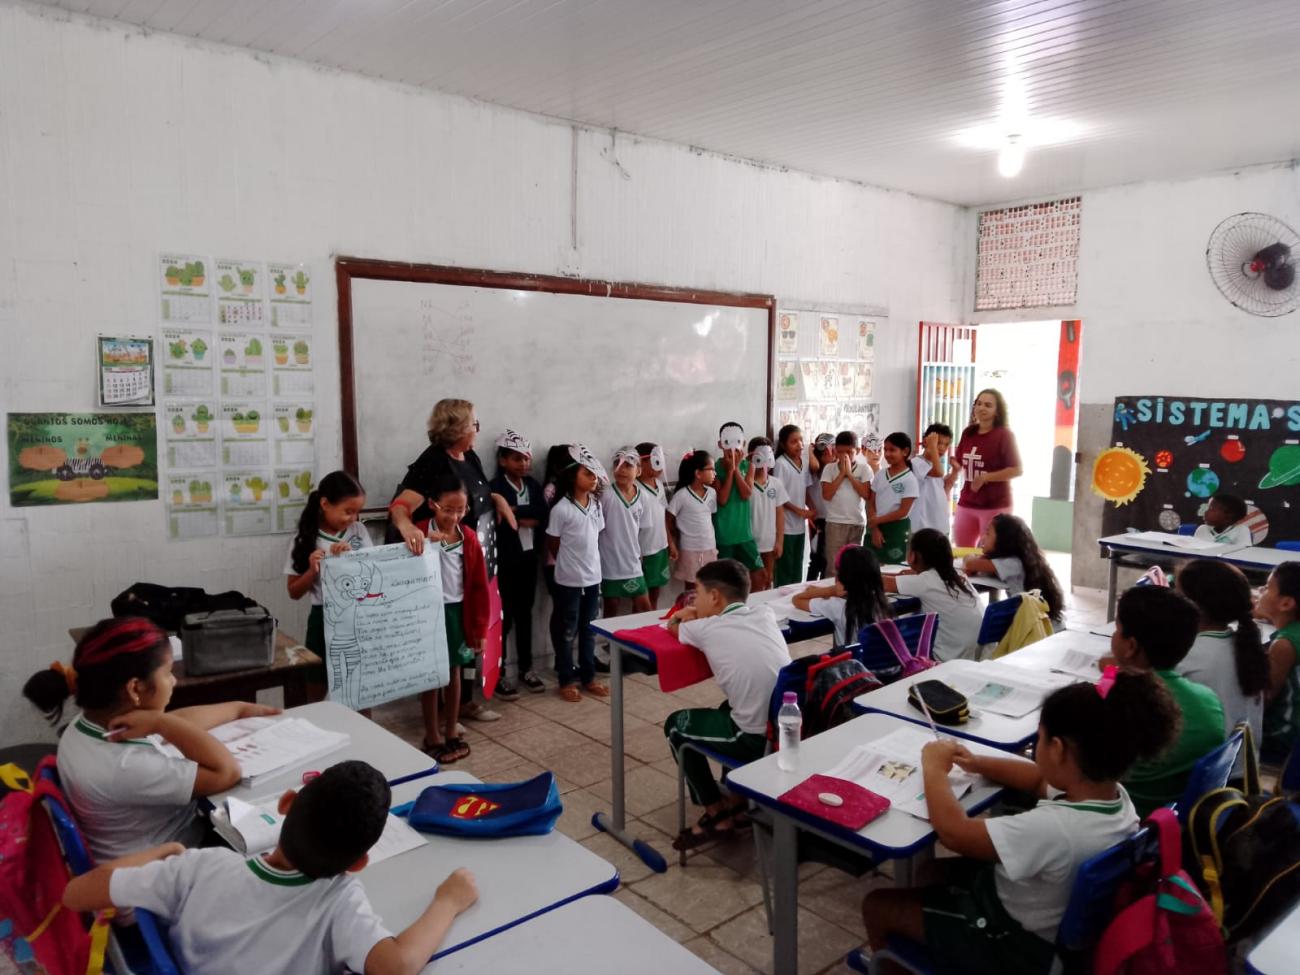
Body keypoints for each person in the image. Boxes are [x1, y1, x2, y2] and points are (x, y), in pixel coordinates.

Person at [862, 672, 1178, 975]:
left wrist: (933, 767)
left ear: (1057, 749)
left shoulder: (1055, 829)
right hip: (1049, 924)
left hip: (1014, 946)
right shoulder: (1112, 797)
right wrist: (977, 763)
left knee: (878, 905)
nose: (1036, 748)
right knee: (929, 872)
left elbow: (954, 833)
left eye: (1040, 739)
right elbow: (1039, 779)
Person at [62, 761, 479, 975]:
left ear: (285, 804)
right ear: (358, 863)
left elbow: (75, 893)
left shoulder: (200, 867)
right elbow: (397, 966)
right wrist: (448, 901)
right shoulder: (339, 901)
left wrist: (165, 853)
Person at [22, 617, 276, 861]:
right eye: (167, 673)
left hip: (130, 853)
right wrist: (159, 723)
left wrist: (237, 709)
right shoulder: (125, 766)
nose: (173, 681)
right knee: (273, 834)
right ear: (135, 688)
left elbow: (177, 724)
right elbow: (227, 772)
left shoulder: (85, 726)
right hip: (163, 868)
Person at [388, 399, 513, 724]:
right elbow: (401, 506)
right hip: (446, 564)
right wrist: (406, 527)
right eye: (474, 424)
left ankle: (466, 702)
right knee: (448, 640)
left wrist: (497, 499)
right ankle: (445, 709)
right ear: (457, 429)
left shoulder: (469, 456)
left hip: (475, 556)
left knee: (471, 633)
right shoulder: (433, 461)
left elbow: (471, 494)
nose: (477, 429)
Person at [663, 559, 789, 850]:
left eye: (697, 594)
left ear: (714, 597)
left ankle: (715, 813)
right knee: (726, 707)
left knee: (675, 726)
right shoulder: (764, 613)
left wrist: (684, 614)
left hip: (755, 738)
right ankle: (738, 802)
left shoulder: (707, 627)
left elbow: (673, 627)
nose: (695, 600)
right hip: (784, 731)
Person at [1110, 585, 1225, 817]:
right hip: (1172, 817)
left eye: (1117, 629)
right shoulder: (1208, 698)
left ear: (1131, 646)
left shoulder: (1118, 707)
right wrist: (1112, 672)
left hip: (1124, 817)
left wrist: (1111, 673)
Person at [415, 476, 491, 763]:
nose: (454, 516)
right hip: (428, 614)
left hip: (458, 613)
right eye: (448, 509)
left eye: (461, 510)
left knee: (454, 672)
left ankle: (450, 730)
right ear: (432, 504)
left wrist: (480, 629)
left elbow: (479, 587)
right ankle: (432, 735)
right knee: (431, 676)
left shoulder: (467, 537)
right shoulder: (419, 532)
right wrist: (423, 544)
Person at [1174, 559, 1267, 771]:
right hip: (1243, 773)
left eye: (1177, 596)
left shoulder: (1186, 655)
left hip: (1201, 777)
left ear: (1193, 607)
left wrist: (1112, 671)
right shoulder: (1246, 645)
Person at [284, 471, 373, 686]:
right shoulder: (305, 539)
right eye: (348, 511)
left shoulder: (358, 531)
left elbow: (374, 571)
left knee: (359, 681)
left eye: (357, 512)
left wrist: (352, 558)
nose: (353, 518)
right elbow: (293, 592)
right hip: (323, 618)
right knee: (317, 680)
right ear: (325, 504)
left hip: (358, 616)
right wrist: (312, 571)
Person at [546, 445, 610, 702]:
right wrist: (570, 564)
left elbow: (596, 535)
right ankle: (566, 679)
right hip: (569, 581)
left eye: (595, 474)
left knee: (589, 629)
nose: (593, 478)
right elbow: (554, 543)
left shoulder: (596, 505)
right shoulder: (561, 509)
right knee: (567, 631)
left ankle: (588, 677)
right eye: (587, 473)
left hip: (593, 577)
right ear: (573, 476)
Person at [488, 430, 548, 694]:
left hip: (528, 559)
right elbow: (497, 522)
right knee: (504, 618)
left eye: (526, 458)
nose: (523, 464)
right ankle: (498, 674)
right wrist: (522, 518)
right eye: (516, 458)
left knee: (526, 614)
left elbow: (541, 514)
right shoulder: (495, 488)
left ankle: (526, 668)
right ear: (502, 460)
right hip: (505, 561)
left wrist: (514, 511)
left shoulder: (533, 485)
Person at [882, 529, 983, 661]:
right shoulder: (958, 575)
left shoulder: (925, 581)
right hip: (976, 656)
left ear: (913, 556)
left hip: (947, 659)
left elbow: (879, 582)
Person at [953, 389, 1023, 548]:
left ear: (997, 411)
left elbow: (1017, 469)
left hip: (995, 505)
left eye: (988, 405)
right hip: (967, 502)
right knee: (962, 549)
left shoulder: (1004, 435)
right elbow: (960, 461)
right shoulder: (968, 433)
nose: (981, 408)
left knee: (990, 551)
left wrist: (986, 477)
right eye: (978, 404)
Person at [963, 514, 1065, 622]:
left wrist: (969, 556)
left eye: (988, 533)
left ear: (1003, 541)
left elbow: (970, 564)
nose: (983, 538)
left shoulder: (1012, 563)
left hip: (1028, 618)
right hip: (1027, 613)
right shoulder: (1015, 559)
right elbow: (972, 569)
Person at [793, 545, 893, 647]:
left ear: (842, 577)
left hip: (850, 656)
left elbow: (797, 599)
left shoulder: (838, 606)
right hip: (876, 656)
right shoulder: (881, 602)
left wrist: (830, 591)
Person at [600, 446, 654, 617]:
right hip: (609, 564)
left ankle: (643, 635)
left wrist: (641, 556)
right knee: (611, 609)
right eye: (617, 464)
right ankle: (610, 638)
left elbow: (642, 531)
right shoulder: (605, 495)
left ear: (639, 470)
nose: (621, 469)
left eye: (628, 465)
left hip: (633, 563)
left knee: (645, 608)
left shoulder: (644, 497)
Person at [1258, 562, 1300, 761]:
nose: (1260, 590)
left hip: (1284, 739)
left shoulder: (1284, 645)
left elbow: (1263, 701)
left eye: (1267, 587)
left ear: (1286, 604)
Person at [713, 422, 764, 580]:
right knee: (726, 579)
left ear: (744, 443)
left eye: (737, 442)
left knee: (758, 575)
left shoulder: (749, 466)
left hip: (744, 534)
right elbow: (722, 499)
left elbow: (746, 494)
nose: (732, 449)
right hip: (724, 536)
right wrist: (730, 471)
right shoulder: (715, 468)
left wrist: (735, 470)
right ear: (720, 444)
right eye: (727, 443)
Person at [820, 430, 873, 568]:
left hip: (857, 522)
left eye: (849, 452)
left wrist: (849, 474)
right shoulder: (829, 469)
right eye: (840, 452)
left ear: (858, 450)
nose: (844, 456)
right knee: (834, 566)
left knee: (854, 566)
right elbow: (826, 495)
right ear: (835, 451)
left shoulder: (864, 469)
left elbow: (866, 494)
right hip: (835, 523)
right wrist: (842, 473)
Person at [772, 424, 817, 587]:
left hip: (800, 526)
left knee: (798, 566)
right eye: (793, 441)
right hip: (785, 526)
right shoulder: (780, 464)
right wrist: (799, 511)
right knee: (785, 569)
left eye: (801, 440)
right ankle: (782, 599)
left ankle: (795, 597)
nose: (799, 445)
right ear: (783, 445)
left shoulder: (804, 462)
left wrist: (812, 508)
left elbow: (805, 490)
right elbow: (779, 496)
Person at [866, 431, 919, 565]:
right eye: (885, 450)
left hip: (897, 529)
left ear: (905, 451)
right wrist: (875, 528)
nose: (887, 454)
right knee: (869, 567)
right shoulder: (880, 474)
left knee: (893, 569)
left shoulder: (910, 479)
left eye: (892, 450)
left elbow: (903, 511)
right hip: (875, 526)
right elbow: (871, 502)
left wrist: (876, 521)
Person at [667, 449, 719, 588]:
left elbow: (710, 518)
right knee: (691, 588)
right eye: (711, 469)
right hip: (690, 550)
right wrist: (672, 543)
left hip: (710, 547)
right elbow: (668, 520)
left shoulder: (712, 493)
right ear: (698, 473)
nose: (714, 474)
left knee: (709, 585)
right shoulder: (682, 495)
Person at [636, 441, 675, 608]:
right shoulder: (635, 489)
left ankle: (651, 620)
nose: (660, 467)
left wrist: (670, 542)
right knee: (640, 596)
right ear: (641, 462)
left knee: (655, 591)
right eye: (655, 461)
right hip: (643, 550)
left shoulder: (659, 484)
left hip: (660, 547)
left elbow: (663, 514)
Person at [747, 437, 788, 592]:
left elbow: (780, 513)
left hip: (769, 543)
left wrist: (780, 541)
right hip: (749, 544)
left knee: (768, 579)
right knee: (752, 582)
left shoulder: (776, 483)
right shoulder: (746, 486)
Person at [909, 423, 959, 536]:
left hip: (940, 526)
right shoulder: (916, 463)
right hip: (923, 527)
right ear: (926, 442)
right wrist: (932, 446)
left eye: (946, 444)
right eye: (938, 443)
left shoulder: (935, 465)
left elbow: (945, 490)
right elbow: (938, 473)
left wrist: (955, 471)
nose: (942, 448)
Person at [805, 433, 835, 581]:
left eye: (830, 450)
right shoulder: (813, 470)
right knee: (816, 558)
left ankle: (823, 585)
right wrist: (810, 451)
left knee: (827, 559)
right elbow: (806, 492)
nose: (827, 455)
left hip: (832, 519)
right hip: (817, 519)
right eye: (822, 452)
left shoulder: (834, 469)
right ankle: (809, 585)